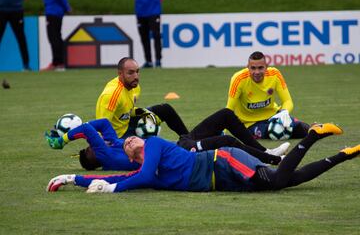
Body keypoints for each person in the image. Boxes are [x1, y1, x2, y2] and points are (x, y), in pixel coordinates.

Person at [46, 123, 360, 193]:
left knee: (277, 181)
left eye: (131, 137)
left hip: (221, 161)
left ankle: (312, 135)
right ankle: (346, 154)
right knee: (290, 180)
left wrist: (110, 188)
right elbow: (123, 176)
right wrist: (73, 178)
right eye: (126, 144)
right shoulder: (145, 168)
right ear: (129, 155)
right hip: (221, 181)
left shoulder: (153, 144)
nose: (129, 139)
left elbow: (133, 180)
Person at [45, 110, 288, 171]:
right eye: (93, 146)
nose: (99, 142)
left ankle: (266, 150)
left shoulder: (114, 145)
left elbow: (103, 125)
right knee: (228, 143)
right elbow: (88, 128)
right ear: (96, 155)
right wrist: (64, 139)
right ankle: (273, 160)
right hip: (183, 154)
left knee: (225, 115)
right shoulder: (108, 156)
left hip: (181, 143)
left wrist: (103, 138)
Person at [96, 57, 188, 139]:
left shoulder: (134, 86)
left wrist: (145, 113)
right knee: (153, 147)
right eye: (130, 73)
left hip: (127, 123)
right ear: (120, 74)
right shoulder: (111, 95)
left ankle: (190, 141)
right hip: (118, 137)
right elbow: (101, 127)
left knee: (165, 110)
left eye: (137, 71)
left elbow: (127, 111)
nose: (136, 76)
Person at [226, 51, 310, 139]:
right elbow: (229, 110)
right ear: (248, 68)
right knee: (273, 131)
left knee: (301, 128)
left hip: (274, 116)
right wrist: (222, 132)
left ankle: (321, 128)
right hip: (249, 124)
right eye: (253, 68)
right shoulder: (238, 79)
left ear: (266, 67)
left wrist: (284, 111)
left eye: (260, 68)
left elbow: (287, 101)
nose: (257, 72)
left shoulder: (275, 74)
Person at [41, 0, 71, 71]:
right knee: (57, 36)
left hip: (52, 12)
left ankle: (56, 63)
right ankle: (59, 63)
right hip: (57, 12)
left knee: (53, 37)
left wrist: (67, 7)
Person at [0, 0, 30, 71]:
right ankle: (26, 65)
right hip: (1, 10)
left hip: (16, 10)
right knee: (21, 39)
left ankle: (26, 65)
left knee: (21, 38)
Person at [135, 0, 163, 68]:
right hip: (140, 12)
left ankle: (158, 60)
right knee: (144, 37)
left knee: (156, 36)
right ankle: (148, 61)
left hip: (154, 11)